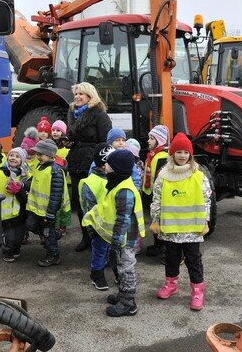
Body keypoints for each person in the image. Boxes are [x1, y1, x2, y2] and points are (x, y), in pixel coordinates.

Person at [150, 133, 211, 311]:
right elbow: (157, 199)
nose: (182, 156)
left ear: (190, 155)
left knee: (193, 260)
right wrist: (156, 219)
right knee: (171, 258)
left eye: (186, 152)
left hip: (192, 229)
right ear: (172, 154)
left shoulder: (198, 176)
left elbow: (206, 200)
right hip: (171, 228)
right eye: (178, 152)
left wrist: (205, 221)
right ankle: (171, 284)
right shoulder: (163, 175)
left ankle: (197, 291)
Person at [82, 149, 145, 317]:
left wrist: (116, 241)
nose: (105, 165)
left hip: (125, 237)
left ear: (116, 168)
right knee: (118, 263)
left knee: (126, 268)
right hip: (119, 235)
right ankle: (122, 295)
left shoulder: (124, 190)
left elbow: (123, 219)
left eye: (108, 163)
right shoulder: (117, 182)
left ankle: (128, 303)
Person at [67, 82, 112, 252]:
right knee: (79, 202)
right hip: (76, 161)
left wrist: (101, 163)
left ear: (90, 96)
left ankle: (99, 237)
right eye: (76, 94)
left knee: (95, 202)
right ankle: (86, 236)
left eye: (81, 94)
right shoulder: (73, 114)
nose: (77, 97)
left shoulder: (99, 114)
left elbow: (106, 141)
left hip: (93, 163)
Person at [27, 139, 71, 267]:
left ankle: (53, 255)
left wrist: (51, 212)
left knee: (49, 234)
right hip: (38, 210)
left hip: (49, 211)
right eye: (38, 154)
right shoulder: (40, 167)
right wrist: (22, 185)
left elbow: (56, 195)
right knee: (31, 225)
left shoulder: (55, 171)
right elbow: (33, 181)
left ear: (50, 155)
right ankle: (48, 238)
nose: (38, 157)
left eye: (41, 154)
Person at [0, 147, 30, 262]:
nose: (13, 158)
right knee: (9, 237)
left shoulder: (26, 176)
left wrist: (19, 191)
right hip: (5, 213)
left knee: (19, 235)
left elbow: (27, 197)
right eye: (11, 155)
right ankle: (7, 251)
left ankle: (16, 249)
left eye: (17, 156)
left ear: (22, 161)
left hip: (21, 212)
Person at [81, 145, 111, 290]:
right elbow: (88, 207)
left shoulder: (116, 177)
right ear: (104, 164)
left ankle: (116, 272)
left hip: (113, 223)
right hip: (98, 225)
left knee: (114, 250)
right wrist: (91, 227)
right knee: (99, 250)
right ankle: (97, 274)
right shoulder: (91, 182)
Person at [143, 125, 170, 257]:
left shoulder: (162, 157)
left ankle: (163, 248)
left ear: (159, 140)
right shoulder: (153, 155)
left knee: (160, 222)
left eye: (152, 139)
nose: (148, 141)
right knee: (155, 221)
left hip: (158, 196)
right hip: (152, 194)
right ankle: (158, 245)